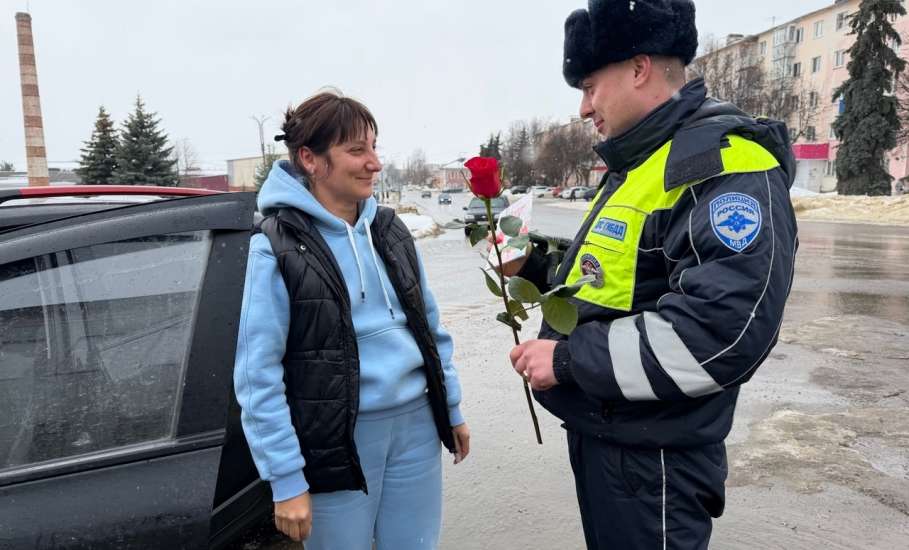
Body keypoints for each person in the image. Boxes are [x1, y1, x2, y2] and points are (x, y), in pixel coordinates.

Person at [506, 1, 799, 548]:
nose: (584, 107)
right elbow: (617, 281)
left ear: (638, 69)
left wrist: (567, 360)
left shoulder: (723, 166)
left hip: (656, 460)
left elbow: (720, 333)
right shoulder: (646, 163)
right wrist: (534, 267)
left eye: (590, 87)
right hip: (615, 439)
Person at [234, 90, 469, 550]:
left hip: (416, 430)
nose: (374, 163)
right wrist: (286, 479)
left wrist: (452, 409)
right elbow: (257, 374)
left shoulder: (391, 231)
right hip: (335, 445)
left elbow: (432, 331)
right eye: (357, 150)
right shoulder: (277, 246)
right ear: (310, 159)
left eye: (374, 148)